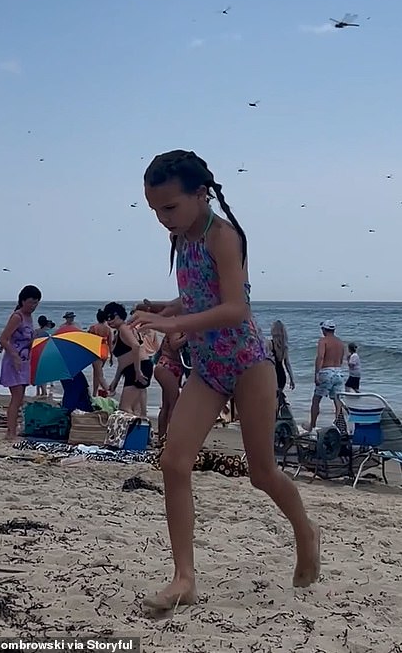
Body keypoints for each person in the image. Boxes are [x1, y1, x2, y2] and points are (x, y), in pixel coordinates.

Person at [130, 149, 319, 610]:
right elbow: (197, 297)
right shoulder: (183, 239)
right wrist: (163, 308)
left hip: (249, 364)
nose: (163, 220)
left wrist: (175, 326)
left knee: (262, 473)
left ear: (201, 194)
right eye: (155, 211)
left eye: (169, 208)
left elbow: (236, 308)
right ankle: (184, 579)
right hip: (210, 370)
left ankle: (306, 531)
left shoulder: (224, 237)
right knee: (174, 462)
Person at [0, 285, 42, 440]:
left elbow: (26, 340)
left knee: (20, 398)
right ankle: (10, 432)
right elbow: (3, 339)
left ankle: (13, 429)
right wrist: (15, 356)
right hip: (13, 361)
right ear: (23, 301)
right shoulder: (17, 316)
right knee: (16, 398)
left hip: (25, 361)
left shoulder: (29, 317)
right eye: (31, 302)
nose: (33, 306)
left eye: (36, 303)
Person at [105, 302, 152, 414]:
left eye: (111, 317)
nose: (109, 321)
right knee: (135, 410)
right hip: (134, 368)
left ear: (118, 315)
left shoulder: (124, 328)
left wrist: (137, 371)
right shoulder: (120, 331)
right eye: (107, 318)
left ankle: (132, 431)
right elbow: (123, 360)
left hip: (138, 368)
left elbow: (136, 346)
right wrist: (116, 380)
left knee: (125, 409)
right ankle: (138, 430)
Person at [309, 320, 345, 430]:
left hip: (326, 372)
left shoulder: (323, 341)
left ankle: (312, 426)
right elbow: (341, 358)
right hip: (338, 372)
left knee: (316, 400)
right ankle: (338, 426)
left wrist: (316, 374)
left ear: (324, 329)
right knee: (337, 401)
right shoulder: (340, 342)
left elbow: (320, 357)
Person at [154, 332, 188, 442]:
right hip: (168, 366)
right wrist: (188, 336)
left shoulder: (176, 328)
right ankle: (170, 437)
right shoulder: (176, 329)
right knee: (174, 403)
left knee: (167, 404)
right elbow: (174, 345)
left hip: (169, 366)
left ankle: (162, 436)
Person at [88, 309, 113, 396]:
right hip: (104, 351)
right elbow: (110, 343)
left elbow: (89, 341)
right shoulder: (108, 329)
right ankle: (94, 393)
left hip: (96, 350)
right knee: (96, 373)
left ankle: (108, 390)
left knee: (99, 374)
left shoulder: (93, 327)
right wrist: (112, 356)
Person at [268, 320, 295, 391]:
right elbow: (287, 364)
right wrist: (292, 379)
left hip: (271, 375)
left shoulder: (269, 344)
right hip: (281, 376)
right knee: (278, 398)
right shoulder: (284, 347)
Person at [34, 315, 54, 397]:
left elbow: (33, 343)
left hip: (37, 353)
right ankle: (44, 391)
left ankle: (39, 391)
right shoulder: (50, 332)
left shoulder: (36, 331)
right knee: (44, 373)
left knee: (38, 373)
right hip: (47, 354)